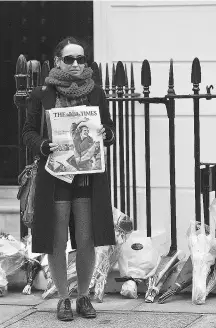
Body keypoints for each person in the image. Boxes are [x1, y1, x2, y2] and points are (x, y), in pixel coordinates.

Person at [22, 36, 116, 321]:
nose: (76, 64)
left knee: (87, 239)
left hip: (87, 178)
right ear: (57, 61)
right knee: (57, 239)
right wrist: (42, 145)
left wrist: (105, 136)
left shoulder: (96, 93)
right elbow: (28, 132)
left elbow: (109, 130)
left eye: (81, 59)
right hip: (56, 177)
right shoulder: (42, 94)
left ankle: (84, 296)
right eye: (69, 59)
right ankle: (64, 298)